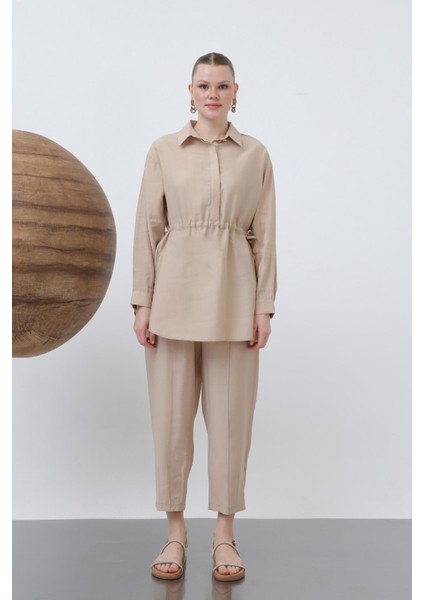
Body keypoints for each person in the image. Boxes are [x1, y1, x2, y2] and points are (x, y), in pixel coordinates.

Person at [131, 51, 277, 582]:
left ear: (236, 92)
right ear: (189, 92)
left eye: (222, 85)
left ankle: (224, 534)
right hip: (172, 299)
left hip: (235, 300)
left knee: (232, 423)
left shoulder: (255, 154)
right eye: (203, 85)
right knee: (171, 421)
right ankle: (175, 531)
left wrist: (263, 306)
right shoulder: (163, 151)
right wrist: (142, 301)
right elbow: (148, 227)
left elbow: (265, 236)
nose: (212, 94)